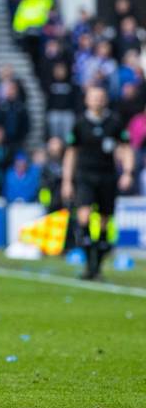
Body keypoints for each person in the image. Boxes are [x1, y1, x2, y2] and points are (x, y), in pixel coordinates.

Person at [62, 86, 134, 280]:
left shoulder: (114, 123)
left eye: (101, 97)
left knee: (104, 222)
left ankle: (97, 268)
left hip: (107, 177)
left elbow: (126, 148)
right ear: (87, 100)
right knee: (84, 216)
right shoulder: (80, 124)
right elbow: (71, 153)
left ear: (105, 100)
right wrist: (67, 181)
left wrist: (127, 172)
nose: (97, 101)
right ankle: (89, 265)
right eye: (94, 97)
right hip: (85, 176)